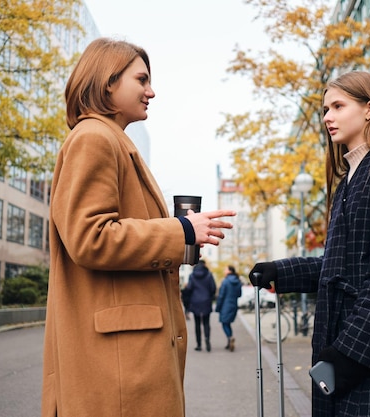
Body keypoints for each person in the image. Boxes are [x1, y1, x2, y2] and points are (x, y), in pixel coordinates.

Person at [41, 38, 236, 417]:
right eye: (142, 79)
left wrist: (181, 236)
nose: (151, 91)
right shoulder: (94, 139)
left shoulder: (110, 140)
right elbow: (90, 238)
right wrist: (180, 231)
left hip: (122, 355)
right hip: (117, 363)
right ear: (108, 81)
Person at [250, 71, 370, 417]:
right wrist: (281, 272)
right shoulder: (349, 179)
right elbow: (341, 264)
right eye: (324, 109)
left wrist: (346, 356)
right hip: (348, 347)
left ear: (369, 109)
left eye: (337, 106)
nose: (327, 117)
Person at [185, 260, 217, 351]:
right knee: (206, 323)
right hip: (206, 301)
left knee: (197, 324)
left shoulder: (192, 275)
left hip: (195, 301)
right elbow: (213, 288)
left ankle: (199, 344)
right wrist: (210, 296)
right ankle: (207, 338)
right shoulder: (209, 275)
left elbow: (189, 288)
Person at [216, 265, 242, 352]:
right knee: (228, 323)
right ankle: (229, 341)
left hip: (225, 305)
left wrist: (218, 307)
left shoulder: (226, 281)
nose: (224, 271)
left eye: (225, 269)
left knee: (224, 323)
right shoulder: (238, 281)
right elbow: (239, 294)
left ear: (230, 271)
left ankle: (230, 337)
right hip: (234, 304)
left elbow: (221, 296)